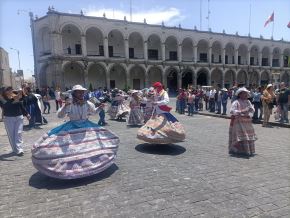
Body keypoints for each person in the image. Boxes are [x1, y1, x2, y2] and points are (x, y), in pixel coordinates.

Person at [31, 85, 120, 179]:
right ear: (74, 93)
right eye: (78, 92)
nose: (81, 94)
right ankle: (72, 170)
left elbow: (93, 112)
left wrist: (100, 108)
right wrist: (65, 106)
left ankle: (89, 167)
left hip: (86, 126)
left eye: (82, 92)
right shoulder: (70, 103)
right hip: (72, 126)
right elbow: (60, 116)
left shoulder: (87, 103)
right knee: (72, 150)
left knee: (89, 147)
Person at [0, 87, 30, 156]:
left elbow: (21, 105)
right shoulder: (2, 98)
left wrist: (26, 113)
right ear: (5, 92)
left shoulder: (15, 95)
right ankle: (15, 149)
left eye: (11, 89)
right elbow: (6, 106)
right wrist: (14, 99)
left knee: (18, 133)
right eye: (9, 89)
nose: (11, 91)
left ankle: (19, 149)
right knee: (12, 135)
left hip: (19, 116)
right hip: (9, 118)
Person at [229, 87, 257, 157]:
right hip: (239, 122)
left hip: (247, 122)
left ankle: (247, 150)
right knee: (242, 136)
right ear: (240, 94)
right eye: (244, 93)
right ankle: (240, 150)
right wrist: (241, 111)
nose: (246, 95)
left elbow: (253, 110)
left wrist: (250, 110)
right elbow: (232, 111)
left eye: (246, 94)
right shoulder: (236, 102)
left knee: (248, 136)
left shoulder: (248, 102)